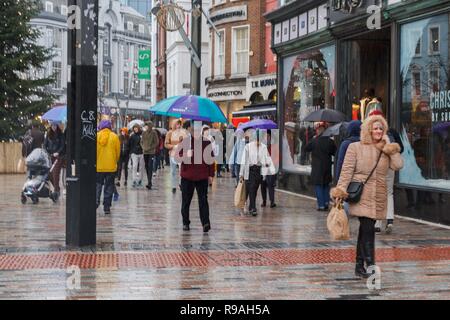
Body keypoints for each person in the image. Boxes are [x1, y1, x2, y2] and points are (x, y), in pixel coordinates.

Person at [331, 115, 404, 278]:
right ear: (368, 130)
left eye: (381, 128)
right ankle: (370, 265)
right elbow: (346, 171)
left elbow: (398, 165)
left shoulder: (385, 149)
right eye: (375, 128)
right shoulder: (355, 147)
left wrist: (390, 146)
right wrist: (340, 191)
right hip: (362, 195)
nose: (378, 131)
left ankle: (359, 265)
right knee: (369, 228)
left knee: (365, 230)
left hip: (379, 196)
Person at [369, 110, 404, 234]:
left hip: (377, 167)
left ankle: (378, 223)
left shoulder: (372, 132)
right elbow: (402, 148)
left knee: (378, 194)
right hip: (390, 166)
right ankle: (389, 220)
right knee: (389, 193)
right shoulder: (392, 132)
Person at [177, 120, 215, 232]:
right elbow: (177, 157)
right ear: (190, 130)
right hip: (187, 176)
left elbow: (211, 159)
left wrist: (210, 175)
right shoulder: (185, 141)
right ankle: (185, 222)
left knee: (203, 200)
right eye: (194, 130)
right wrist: (186, 154)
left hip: (202, 176)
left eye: (198, 130)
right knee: (186, 201)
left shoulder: (206, 142)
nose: (196, 132)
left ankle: (205, 223)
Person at [239, 129, 275, 216]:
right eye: (256, 140)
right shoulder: (248, 147)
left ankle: (251, 207)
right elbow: (243, 160)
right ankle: (253, 208)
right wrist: (241, 174)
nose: (258, 142)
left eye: (259, 140)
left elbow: (268, 158)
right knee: (251, 188)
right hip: (250, 170)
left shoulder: (263, 147)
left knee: (254, 190)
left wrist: (272, 170)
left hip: (258, 171)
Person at [305, 122, 337, 211]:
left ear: (318, 131)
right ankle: (326, 203)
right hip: (327, 166)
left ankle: (321, 205)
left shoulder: (314, 140)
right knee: (326, 185)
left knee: (318, 185)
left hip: (317, 168)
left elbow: (306, 148)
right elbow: (335, 152)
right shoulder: (330, 141)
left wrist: (311, 138)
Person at [96, 120, 120, 214]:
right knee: (109, 186)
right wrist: (115, 161)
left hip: (99, 166)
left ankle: (96, 201)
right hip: (111, 166)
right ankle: (106, 207)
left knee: (98, 185)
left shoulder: (97, 136)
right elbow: (118, 153)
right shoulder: (114, 137)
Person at [165, 119, 187, 193]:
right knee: (173, 171)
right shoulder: (170, 133)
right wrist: (174, 146)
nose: (178, 126)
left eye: (179, 124)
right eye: (177, 124)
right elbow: (166, 144)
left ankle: (181, 184)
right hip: (172, 155)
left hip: (181, 154)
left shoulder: (183, 133)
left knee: (182, 170)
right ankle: (173, 186)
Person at [44, 122, 65, 198]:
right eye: (53, 125)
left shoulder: (61, 135)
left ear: (57, 126)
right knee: (50, 174)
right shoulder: (48, 134)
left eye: (55, 125)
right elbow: (45, 145)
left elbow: (62, 146)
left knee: (55, 173)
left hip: (58, 157)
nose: (54, 127)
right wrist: (47, 153)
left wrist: (58, 152)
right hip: (50, 156)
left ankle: (56, 191)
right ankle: (57, 188)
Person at [260, 130, 277, 208]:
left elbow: (277, 158)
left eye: (268, 137)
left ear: (270, 137)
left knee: (270, 185)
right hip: (263, 169)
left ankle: (272, 201)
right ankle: (264, 201)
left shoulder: (274, 146)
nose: (267, 138)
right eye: (265, 137)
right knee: (263, 185)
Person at [141, 121, 159, 190]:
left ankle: (149, 182)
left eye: (147, 126)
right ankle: (149, 180)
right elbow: (141, 141)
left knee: (150, 166)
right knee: (146, 166)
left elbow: (156, 142)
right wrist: (143, 147)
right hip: (145, 152)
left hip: (151, 152)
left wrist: (151, 147)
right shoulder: (143, 133)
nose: (145, 127)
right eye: (145, 126)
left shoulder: (154, 133)